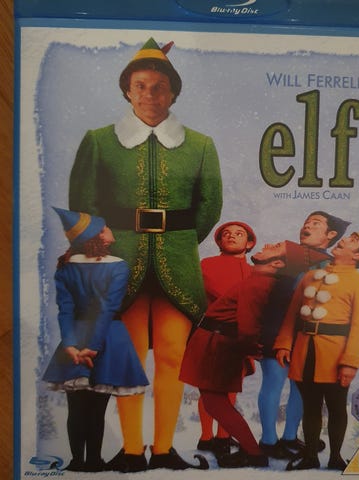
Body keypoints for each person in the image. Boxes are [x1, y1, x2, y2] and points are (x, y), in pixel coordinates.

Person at [68, 38, 222, 471]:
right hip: (121, 263)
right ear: (127, 91)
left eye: (159, 87)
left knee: (173, 355)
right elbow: (82, 207)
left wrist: (178, 240)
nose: (150, 94)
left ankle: (165, 449)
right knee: (130, 357)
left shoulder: (201, 145)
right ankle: (132, 451)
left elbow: (209, 207)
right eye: (140, 86)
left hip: (177, 262)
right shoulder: (99, 141)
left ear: (173, 93)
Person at [179, 241, 329, 468]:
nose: (267, 244)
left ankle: (254, 452)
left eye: (275, 247)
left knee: (214, 402)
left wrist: (250, 349)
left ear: (277, 264)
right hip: (216, 342)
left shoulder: (259, 284)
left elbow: (249, 325)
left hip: (217, 345)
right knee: (213, 402)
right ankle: (252, 450)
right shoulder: (260, 281)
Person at [274, 232, 359, 470]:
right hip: (304, 352)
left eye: (353, 240)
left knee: (336, 406)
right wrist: (284, 343)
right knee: (310, 406)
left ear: (358, 256)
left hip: (335, 356)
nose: (345, 239)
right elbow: (291, 315)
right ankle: (310, 456)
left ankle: (335, 458)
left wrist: (350, 362)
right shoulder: (309, 277)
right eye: (349, 236)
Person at [42, 208, 149, 473]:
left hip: (75, 337)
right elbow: (107, 308)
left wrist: (70, 344)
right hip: (109, 338)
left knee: (76, 408)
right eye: (104, 227)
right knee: (96, 409)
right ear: (99, 236)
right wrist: (94, 346)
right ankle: (93, 461)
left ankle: (77, 461)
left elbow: (65, 309)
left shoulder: (66, 267)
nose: (109, 229)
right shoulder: (118, 266)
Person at [257, 211, 349, 459]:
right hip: (276, 328)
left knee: (301, 387)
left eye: (315, 224)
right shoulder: (287, 255)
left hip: (307, 334)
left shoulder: (330, 264)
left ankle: (289, 437)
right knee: (274, 381)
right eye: (306, 223)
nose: (306, 226)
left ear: (330, 234)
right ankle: (268, 441)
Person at [197, 221, 256, 457]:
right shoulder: (207, 264)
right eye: (226, 234)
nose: (231, 236)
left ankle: (223, 436)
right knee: (209, 389)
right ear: (219, 241)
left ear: (249, 243)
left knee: (231, 388)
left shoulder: (253, 271)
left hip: (239, 337)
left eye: (239, 234)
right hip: (212, 333)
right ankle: (205, 437)